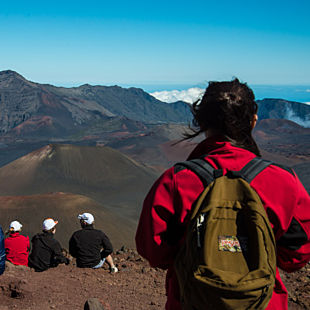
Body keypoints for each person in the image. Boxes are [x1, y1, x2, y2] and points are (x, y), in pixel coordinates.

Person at [135, 79, 310, 310]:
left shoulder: (176, 181)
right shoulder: (283, 181)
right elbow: (298, 255)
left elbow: (154, 251)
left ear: (201, 122)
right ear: (253, 121)